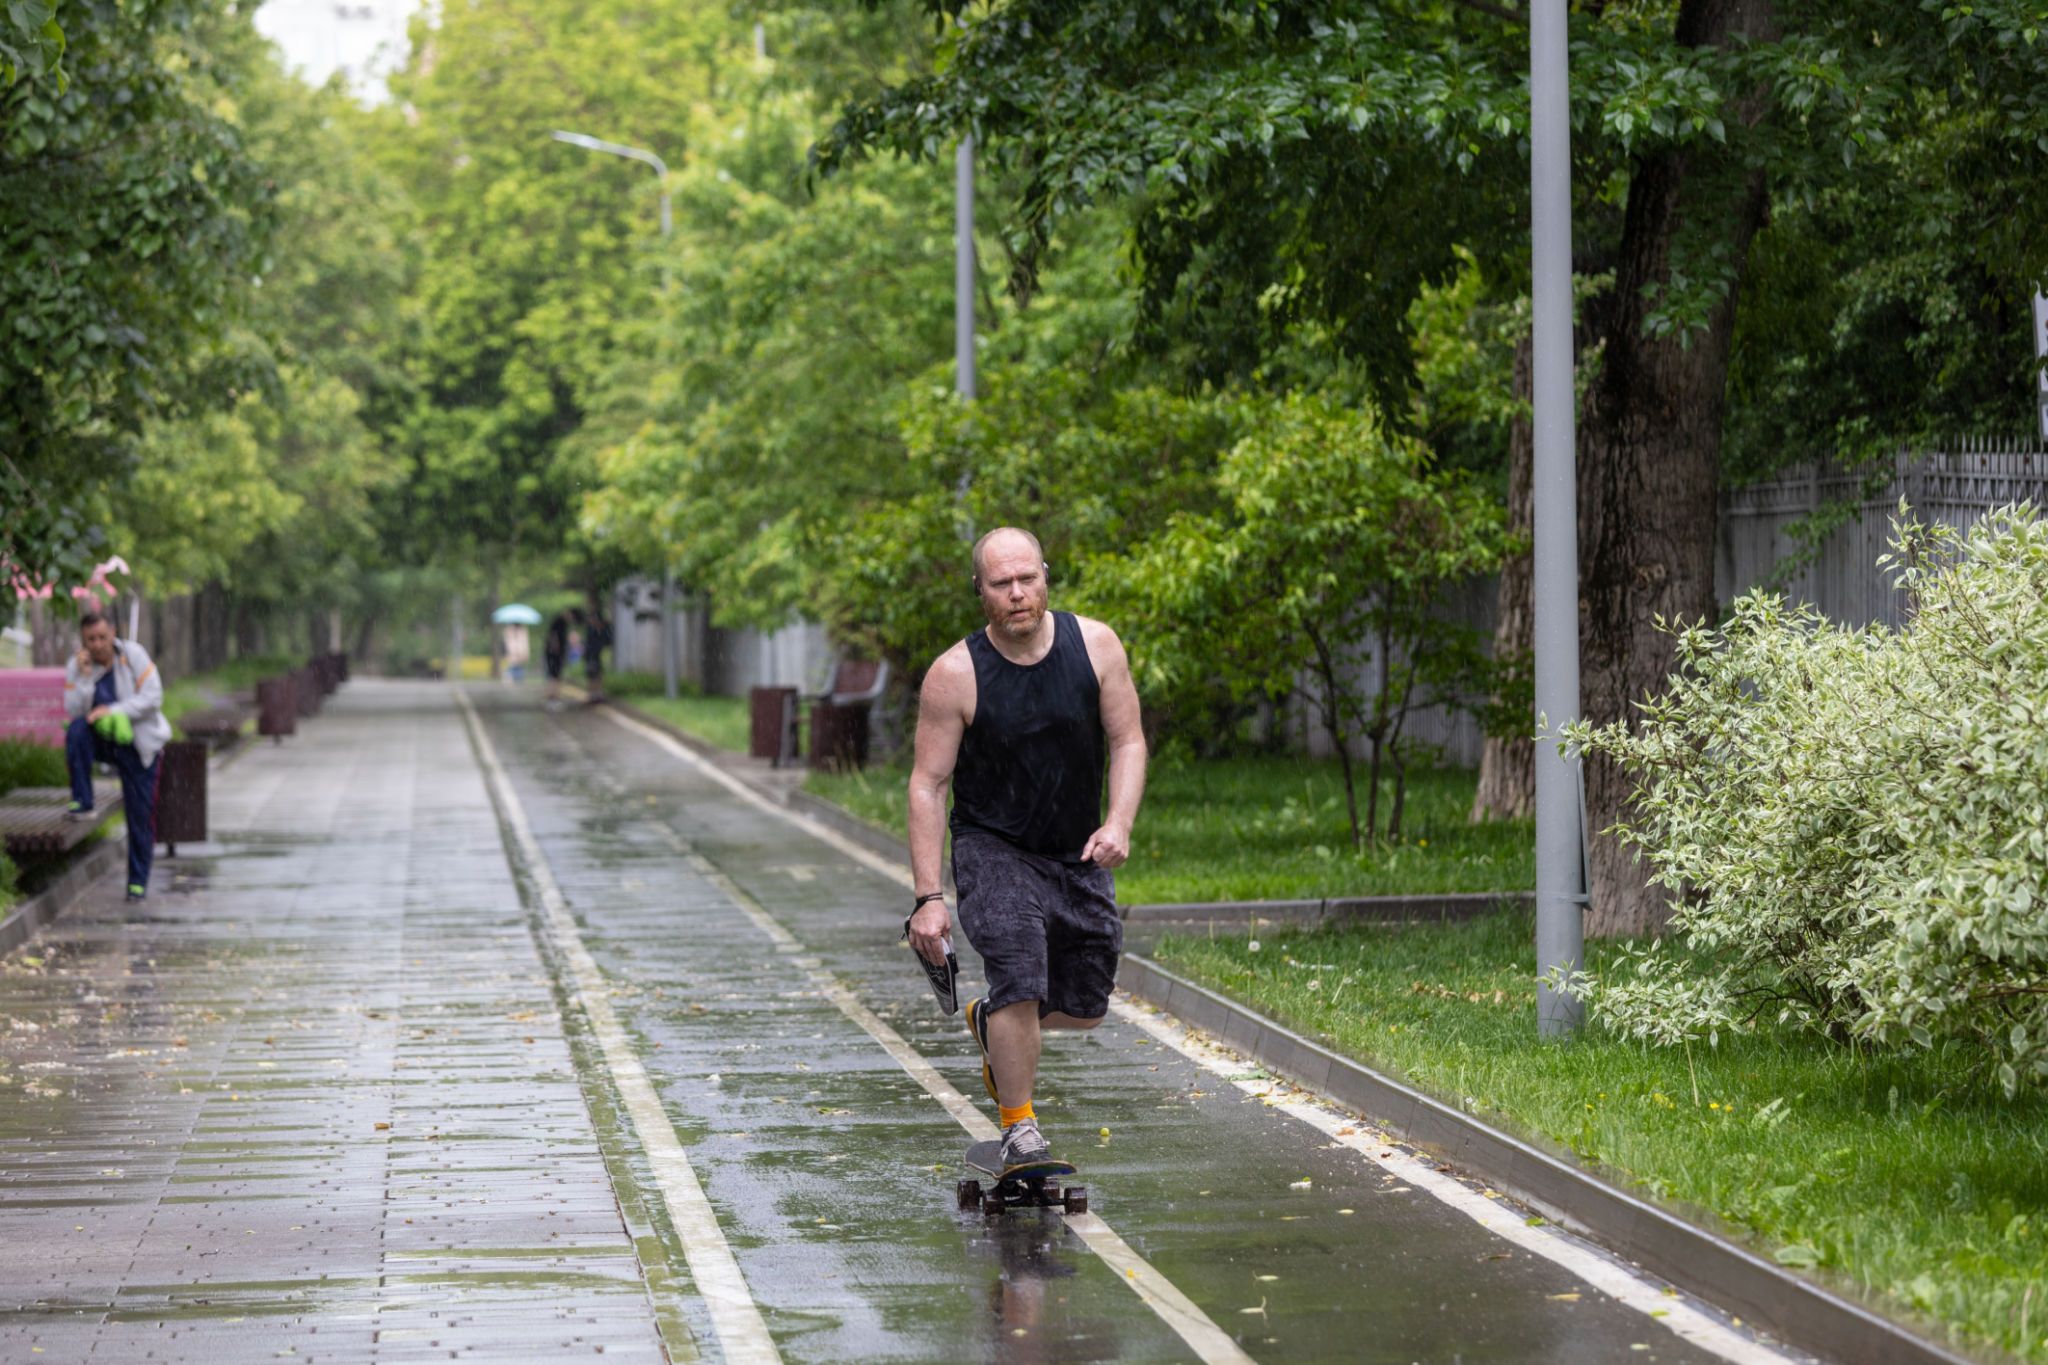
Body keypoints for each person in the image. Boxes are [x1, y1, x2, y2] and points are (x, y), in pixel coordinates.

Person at [905, 527, 1148, 1168]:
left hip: (1074, 850)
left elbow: (1128, 739)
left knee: (1086, 1005)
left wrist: (1118, 822)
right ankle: (1019, 1125)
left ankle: (994, 1023)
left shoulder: (1096, 646)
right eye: (1000, 584)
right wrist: (929, 898)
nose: (1017, 594)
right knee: (1020, 975)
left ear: (1045, 574)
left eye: (1027, 579)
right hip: (994, 847)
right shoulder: (955, 674)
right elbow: (928, 785)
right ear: (980, 592)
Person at [63, 612, 172, 902]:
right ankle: (82, 800)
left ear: (113, 633)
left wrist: (114, 710)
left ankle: (137, 883)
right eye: (91, 639)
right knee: (76, 731)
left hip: (138, 746)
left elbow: (153, 698)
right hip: (105, 744)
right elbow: (75, 710)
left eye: (102, 637)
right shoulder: (78, 666)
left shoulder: (133, 655)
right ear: (83, 640)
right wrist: (85, 679)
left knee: (139, 815)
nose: (97, 644)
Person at [581, 597, 611, 702]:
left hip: (596, 654)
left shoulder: (602, 630)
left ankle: (597, 693)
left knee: (597, 674)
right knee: (591, 674)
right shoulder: (591, 630)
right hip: (590, 655)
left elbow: (608, 641)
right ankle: (592, 694)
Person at [542, 612, 570, 708]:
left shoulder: (558, 624)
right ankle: (554, 697)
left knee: (553, 676)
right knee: (555, 676)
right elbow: (555, 638)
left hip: (552, 655)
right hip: (555, 655)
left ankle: (552, 696)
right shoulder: (559, 624)